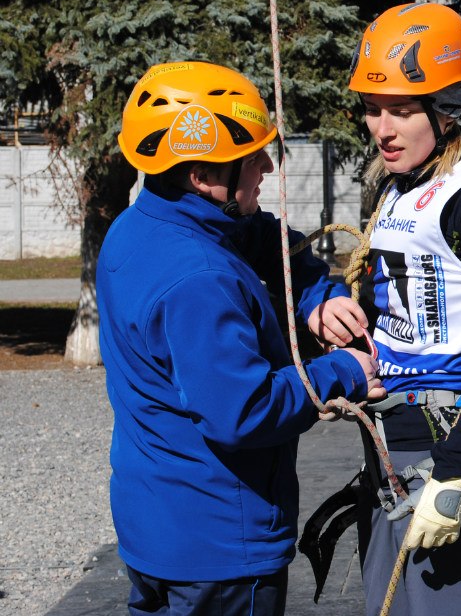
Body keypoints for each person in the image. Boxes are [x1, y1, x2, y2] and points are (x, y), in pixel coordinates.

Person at [98, 60, 385, 616]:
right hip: (219, 553)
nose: (267, 168)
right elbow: (243, 410)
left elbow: (267, 241)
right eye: (253, 159)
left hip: (158, 528)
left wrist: (316, 299)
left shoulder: (144, 227)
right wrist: (344, 370)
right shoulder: (199, 280)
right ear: (205, 176)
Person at [338, 2, 461, 615]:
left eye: (400, 110)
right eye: (373, 110)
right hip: (390, 447)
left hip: (455, 452)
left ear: (448, 108)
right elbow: (396, 309)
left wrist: (454, 471)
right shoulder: (396, 187)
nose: (382, 129)